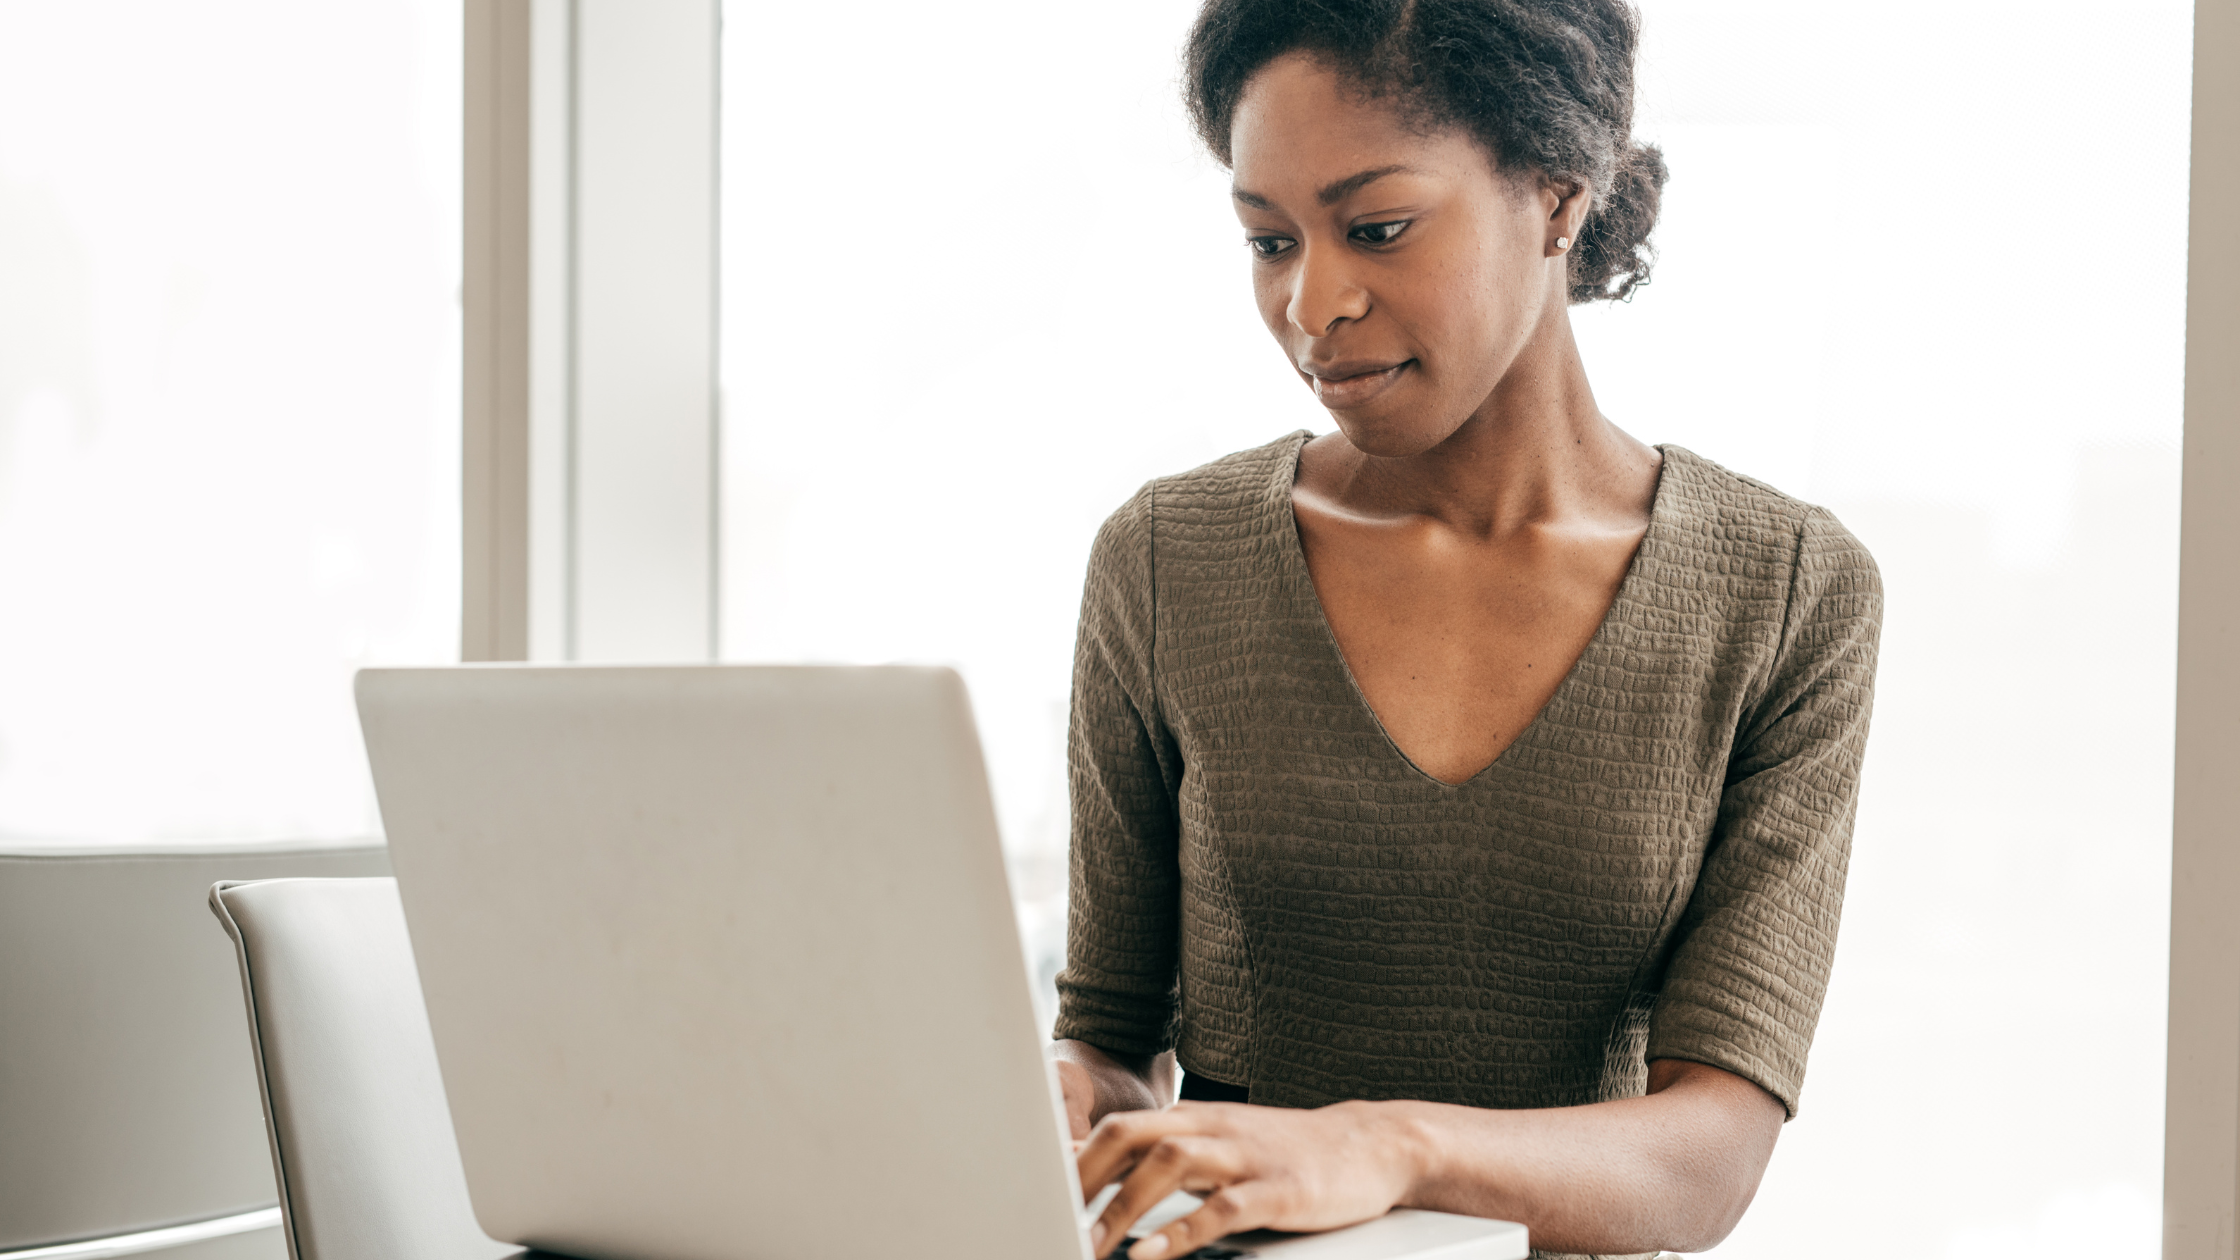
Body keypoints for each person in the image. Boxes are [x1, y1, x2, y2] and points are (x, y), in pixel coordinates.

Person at [1047, 2, 1884, 1257]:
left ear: (1556, 197)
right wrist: (1041, 1113)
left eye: (1375, 228)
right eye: (1267, 240)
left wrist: (1382, 1146)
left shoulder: (1782, 593)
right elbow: (1111, 1041)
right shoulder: (1167, 560)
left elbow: (1707, 1154)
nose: (1309, 303)